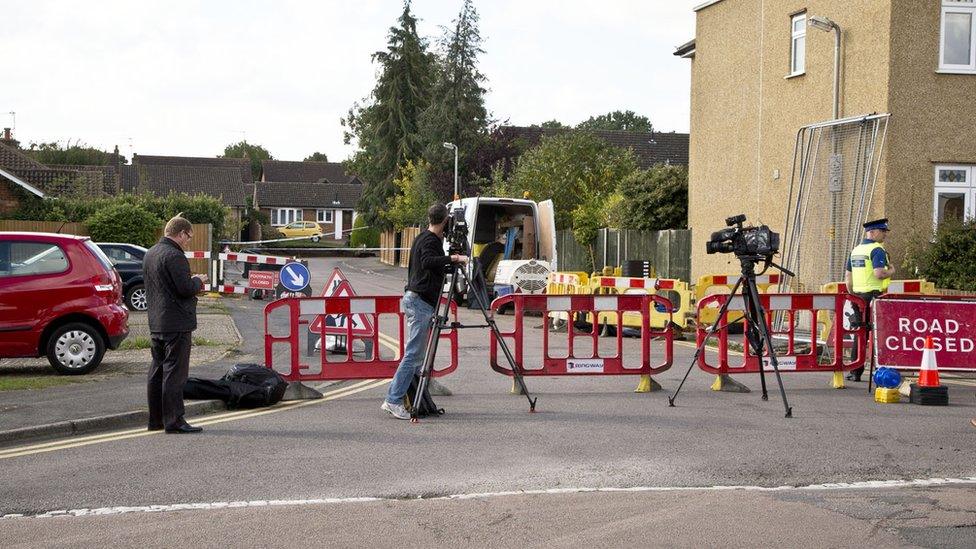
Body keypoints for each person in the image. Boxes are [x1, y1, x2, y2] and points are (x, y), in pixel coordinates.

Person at [381, 203, 468, 420]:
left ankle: (408, 397)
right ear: (445, 221)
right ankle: (393, 400)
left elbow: (431, 265)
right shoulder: (429, 240)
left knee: (415, 356)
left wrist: (447, 259)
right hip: (420, 302)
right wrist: (454, 258)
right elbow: (428, 261)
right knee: (412, 356)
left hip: (418, 300)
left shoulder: (424, 238)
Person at [144, 215, 209, 433]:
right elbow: (184, 289)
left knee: (157, 370)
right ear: (180, 233)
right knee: (175, 373)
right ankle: (174, 421)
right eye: (188, 237)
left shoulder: (151, 253)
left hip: (156, 322)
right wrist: (199, 281)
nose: (188, 242)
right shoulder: (175, 256)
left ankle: (156, 420)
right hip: (177, 322)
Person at [844, 218, 894, 382]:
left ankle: (854, 371)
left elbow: (848, 279)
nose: (885, 235)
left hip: (857, 297)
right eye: (883, 231)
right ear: (874, 232)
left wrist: (853, 295)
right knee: (879, 333)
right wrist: (892, 271)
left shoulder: (855, 250)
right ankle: (881, 370)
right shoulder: (877, 249)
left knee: (860, 334)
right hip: (874, 297)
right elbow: (879, 273)